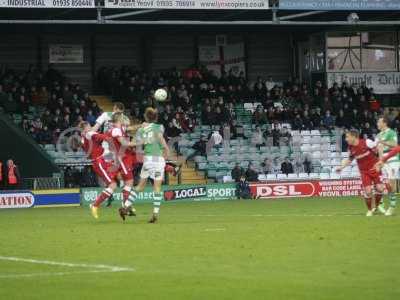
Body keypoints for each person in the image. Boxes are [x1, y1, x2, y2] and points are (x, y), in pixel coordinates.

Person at [123, 108, 170, 223]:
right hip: (157, 159)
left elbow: (135, 142)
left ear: (146, 117)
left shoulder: (142, 129)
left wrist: (126, 143)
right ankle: (155, 213)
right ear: (156, 117)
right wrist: (165, 155)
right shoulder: (159, 128)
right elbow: (163, 144)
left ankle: (126, 206)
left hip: (148, 159)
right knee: (157, 187)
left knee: (140, 186)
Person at [336, 130, 384, 217]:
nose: (346, 139)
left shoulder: (367, 142)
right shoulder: (350, 148)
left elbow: (379, 146)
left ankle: (376, 207)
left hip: (375, 169)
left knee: (380, 188)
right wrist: (341, 167)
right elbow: (349, 160)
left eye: (347, 137)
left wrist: (380, 161)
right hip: (364, 172)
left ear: (354, 137)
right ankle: (370, 210)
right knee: (368, 191)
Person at [79, 121, 119, 219]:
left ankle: (124, 203)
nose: (91, 127)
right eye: (89, 125)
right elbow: (106, 138)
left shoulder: (83, 139)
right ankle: (95, 205)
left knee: (119, 175)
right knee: (113, 185)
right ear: (86, 127)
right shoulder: (90, 133)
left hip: (100, 161)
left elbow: (88, 151)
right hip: (99, 162)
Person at [107, 113, 138, 220]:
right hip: (121, 158)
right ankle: (125, 206)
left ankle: (126, 207)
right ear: (119, 119)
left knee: (128, 182)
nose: (124, 119)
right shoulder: (116, 130)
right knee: (129, 182)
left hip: (123, 157)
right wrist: (139, 142)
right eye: (123, 117)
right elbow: (124, 143)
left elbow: (129, 127)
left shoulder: (120, 128)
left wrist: (141, 126)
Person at [375, 117, 399, 216]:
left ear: (384, 123)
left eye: (379, 122)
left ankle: (392, 206)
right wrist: (380, 161)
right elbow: (379, 149)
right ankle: (382, 203)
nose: (377, 123)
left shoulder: (391, 132)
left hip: (393, 159)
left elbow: (394, 145)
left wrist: (382, 142)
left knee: (390, 182)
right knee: (386, 184)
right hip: (384, 160)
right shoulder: (378, 135)